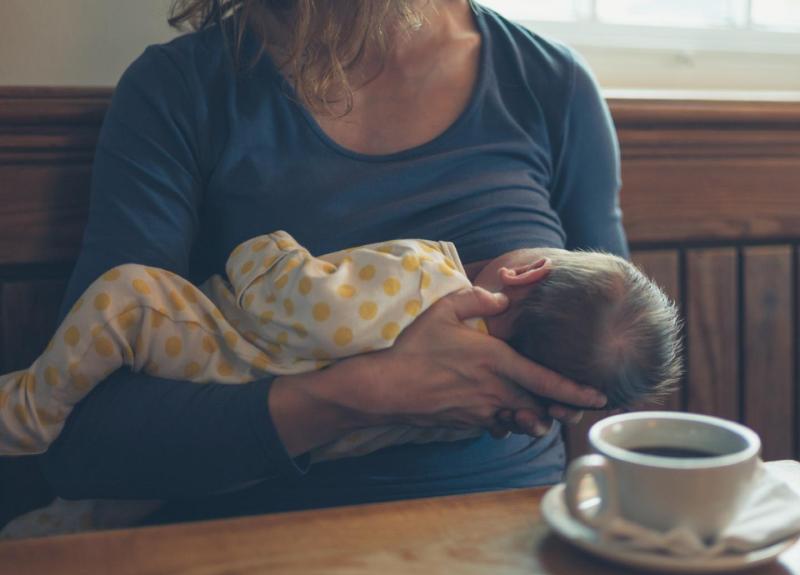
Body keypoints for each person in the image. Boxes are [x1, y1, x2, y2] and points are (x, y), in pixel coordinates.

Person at [35, 0, 627, 524]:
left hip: (511, 535)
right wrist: (369, 393)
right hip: (253, 547)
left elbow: (610, 371)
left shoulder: (552, 86)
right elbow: (87, 446)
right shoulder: (180, 89)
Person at [1, 232, 680, 460]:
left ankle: (29, 411)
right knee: (114, 512)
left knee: (128, 296)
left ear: (525, 270)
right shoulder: (477, 413)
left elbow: (290, 299)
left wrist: (265, 253)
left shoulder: (427, 275)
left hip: (209, 351)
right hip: (265, 458)